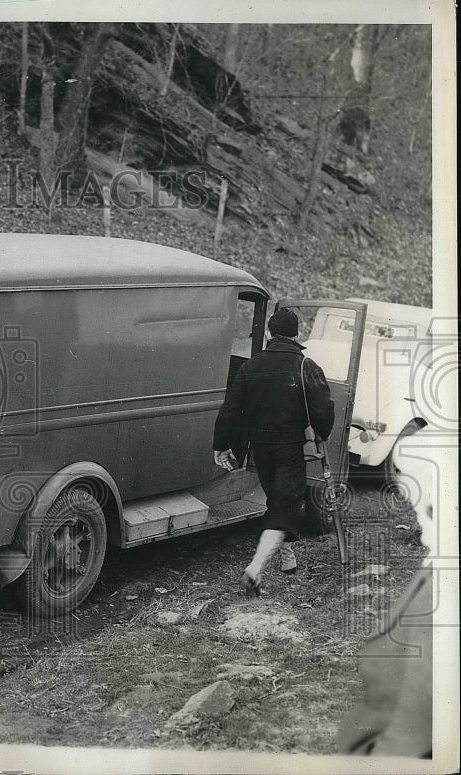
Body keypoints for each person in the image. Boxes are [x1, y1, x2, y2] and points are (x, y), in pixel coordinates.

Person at [212, 307, 334, 595]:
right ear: (297, 335)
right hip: (290, 448)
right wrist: (321, 434)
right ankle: (255, 568)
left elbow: (229, 409)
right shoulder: (306, 367)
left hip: (260, 448)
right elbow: (324, 410)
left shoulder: (250, 366)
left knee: (278, 499)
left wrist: (220, 445)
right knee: (285, 506)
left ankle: (288, 560)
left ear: (268, 332)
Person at [337, 428, 440, 758]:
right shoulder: (437, 568)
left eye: (427, 510)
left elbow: (412, 731)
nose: (419, 523)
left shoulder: (443, 594)